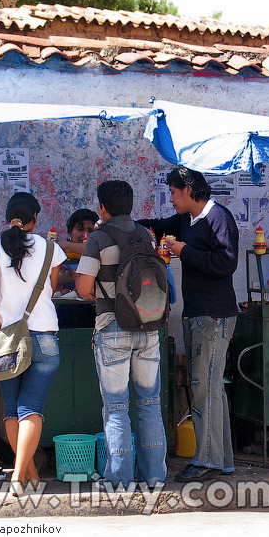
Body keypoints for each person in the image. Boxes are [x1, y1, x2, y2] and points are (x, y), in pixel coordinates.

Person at [139, 166, 239, 483]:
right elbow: (155, 225)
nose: (171, 198)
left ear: (189, 191)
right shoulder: (186, 220)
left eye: (173, 191)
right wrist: (121, 224)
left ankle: (206, 459)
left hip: (214, 315)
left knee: (203, 388)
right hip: (198, 314)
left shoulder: (218, 218)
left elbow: (226, 262)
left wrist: (186, 252)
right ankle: (221, 460)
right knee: (210, 389)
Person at [75, 180, 168, 488]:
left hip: (113, 328)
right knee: (149, 403)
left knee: (116, 407)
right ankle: (154, 476)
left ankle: (119, 478)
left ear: (103, 207)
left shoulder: (98, 238)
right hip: (148, 327)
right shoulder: (144, 234)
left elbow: (83, 288)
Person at [0, 192, 66, 494]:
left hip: (6, 341)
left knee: (13, 411)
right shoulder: (49, 247)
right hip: (44, 335)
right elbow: (53, 287)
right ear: (35, 219)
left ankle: (24, 474)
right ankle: (23, 475)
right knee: (32, 409)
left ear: (7, 216)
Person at [56, 208, 99, 292]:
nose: (85, 235)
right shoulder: (60, 252)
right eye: (80, 230)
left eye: (90, 231)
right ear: (70, 231)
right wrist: (66, 277)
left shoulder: (100, 251)